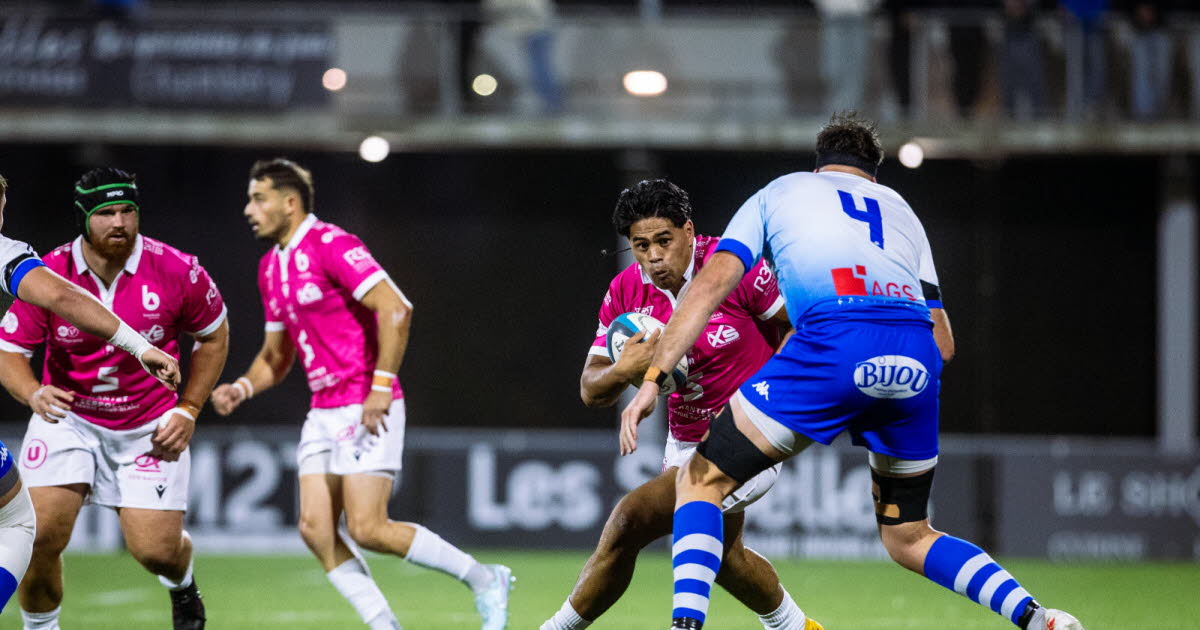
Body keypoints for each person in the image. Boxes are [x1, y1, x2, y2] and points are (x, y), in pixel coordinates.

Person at [620, 113, 1086, 630]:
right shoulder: (903, 211)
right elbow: (944, 342)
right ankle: (1038, 616)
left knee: (699, 478)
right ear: (874, 174)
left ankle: (685, 625)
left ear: (820, 165)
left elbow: (707, 289)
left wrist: (651, 382)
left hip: (834, 341)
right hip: (914, 358)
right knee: (909, 535)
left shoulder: (780, 192)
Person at [210, 158, 513, 630]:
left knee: (368, 528)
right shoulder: (271, 267)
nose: (249, 209)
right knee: (314, 527)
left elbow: (397, 309)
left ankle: (484, 578)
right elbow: (276, 355)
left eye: (259, 198)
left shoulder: (332, 244)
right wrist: (242, 387)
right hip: (324, 409)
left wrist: (380, 387)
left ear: (290, 203)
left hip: (365, 401)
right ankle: (383, 624)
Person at [541, 179, 821, 630]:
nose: (653, 257)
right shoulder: (626, 290)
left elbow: (797, 329)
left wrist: (774, 399)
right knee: (727, 559)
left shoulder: (735, 267)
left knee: (630, 518)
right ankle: (798, 627)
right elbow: (591, 389)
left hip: (754, 430)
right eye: (641, 245)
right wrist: (621, 369)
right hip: (685, 440)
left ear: (689, 230)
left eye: (664, 241)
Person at [0, 168, 221, 630]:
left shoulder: (179, 270)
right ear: (83, 218)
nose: (119, 222)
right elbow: (12, 351)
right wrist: (32, 392)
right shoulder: (50, 270)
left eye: (128, 211)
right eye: (106, 212)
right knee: (35, 537)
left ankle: (182, 585)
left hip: (148, 426)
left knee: (155, 552)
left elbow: (214, 337)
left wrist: (190, 408)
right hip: (69, 421)